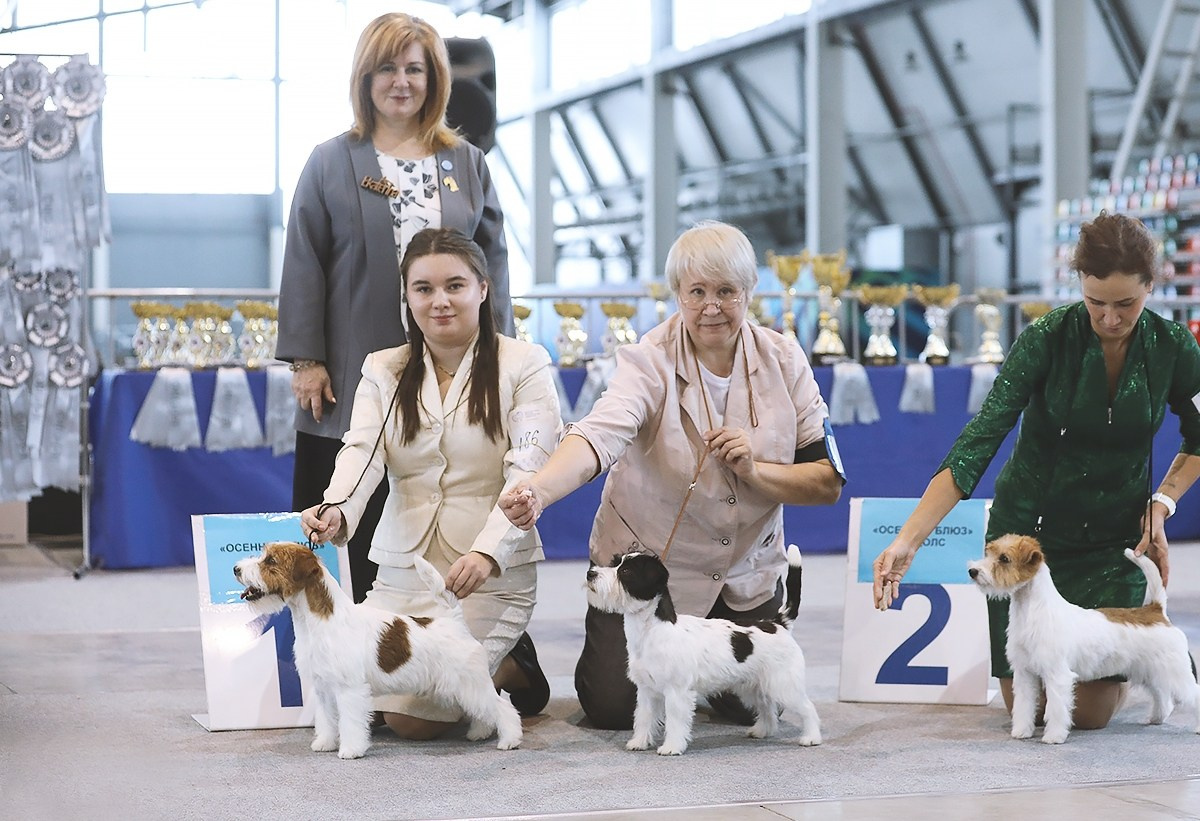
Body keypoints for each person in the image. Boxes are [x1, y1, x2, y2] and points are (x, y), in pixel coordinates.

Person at [500, 220, 846, 730]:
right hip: (650, 573)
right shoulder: (647, 359)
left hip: (745, 573)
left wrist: (756, 471)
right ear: (677, 295)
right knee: (615, 708)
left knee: (751, 703)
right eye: (697, 292)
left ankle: (699, 672)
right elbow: (598, 434)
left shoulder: (786, 358)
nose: (712, 307)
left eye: (726, 291)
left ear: (750, 291)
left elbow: (827, 482)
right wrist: (539, 489)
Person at [872, 211, 1200, 730]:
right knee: (1031, 705)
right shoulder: (1045, 337)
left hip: (1113, 544)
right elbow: (980, 438)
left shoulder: (1175, 347)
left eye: (1126, 304)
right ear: (1079, 283)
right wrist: (908, 540)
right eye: (1095, 302)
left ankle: (1144, 658)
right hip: (1029, 546)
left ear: (1150, 286)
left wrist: (1162, 503)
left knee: (1087, 714)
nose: (1109, 318)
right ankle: (1140, 659)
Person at [277, 12, 512, 603]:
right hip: (351, 375)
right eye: (387, 68)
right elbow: (303, 258)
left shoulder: (467, 163)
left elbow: (493, 264)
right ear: (365, 78)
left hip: (453, 375)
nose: (401, 81)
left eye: (414, 69)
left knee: (445, 523)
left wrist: (501, 356)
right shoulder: (331, 160)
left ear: (435, 79)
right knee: (341, 531)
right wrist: (306, 358)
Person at [300, 227, 556, 736]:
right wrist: (335, 509)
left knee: (410, 718)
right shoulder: (383, 368)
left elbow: (528, 469)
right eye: (423, 288)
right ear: (407, 297)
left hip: (485, 573)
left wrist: (488, 552)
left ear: (482, 289)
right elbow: (362, 451)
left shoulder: (525, 364)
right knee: (350, 689)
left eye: (454, 286)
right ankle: (495, 663)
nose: (440, 301)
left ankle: (511, 664)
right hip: (403, 570)